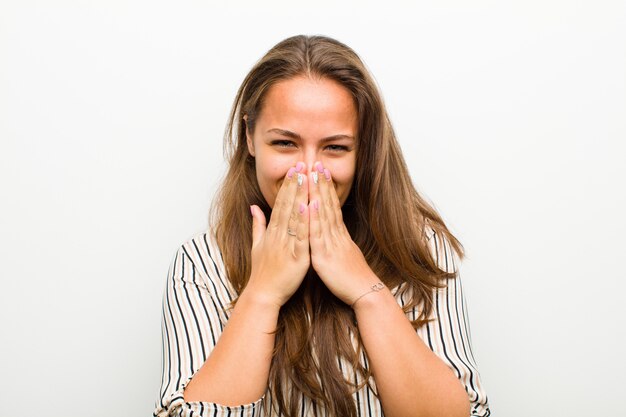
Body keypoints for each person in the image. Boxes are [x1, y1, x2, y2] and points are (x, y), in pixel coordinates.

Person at [154, 35, 490, 417]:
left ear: (363, 149)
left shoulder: (422, 250)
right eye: (284, 143)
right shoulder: (200, 267)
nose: (310, 172)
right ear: (250, 137)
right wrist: (263, 293)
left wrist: (366, 289)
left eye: (335, 147)